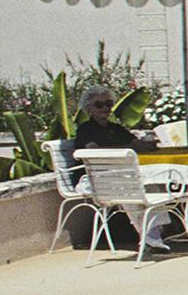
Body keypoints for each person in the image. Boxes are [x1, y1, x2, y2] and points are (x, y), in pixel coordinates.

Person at [71, 85, 169, 252]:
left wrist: (150, 144)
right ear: (89, 109)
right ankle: (150, 237)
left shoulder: (115, 129)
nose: (105, 108)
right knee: (130, 188)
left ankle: (154, 232)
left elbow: (136, 144)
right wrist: (125, 149)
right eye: (99, 105)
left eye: (108, 104)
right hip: (96, 179)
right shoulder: (85, 129)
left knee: (152, 184)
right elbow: (93, 151)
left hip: (121, 174)